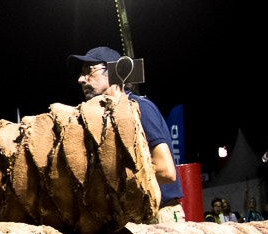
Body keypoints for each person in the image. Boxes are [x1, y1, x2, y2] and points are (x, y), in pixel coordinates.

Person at [69, 46, 183, 222]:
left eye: (89, 71)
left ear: (115, 71)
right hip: (132, 219)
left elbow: (166, 171)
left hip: (159, 217)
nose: (81, 79)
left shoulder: (139, 108)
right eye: (81, 73)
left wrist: (112, 178)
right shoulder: (106, 120)